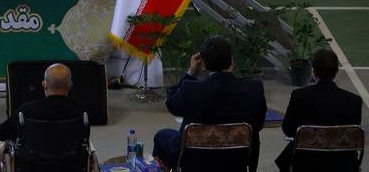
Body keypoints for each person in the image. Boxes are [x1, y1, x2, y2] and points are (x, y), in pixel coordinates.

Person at [153, 35, 267, 171]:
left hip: (194, 161)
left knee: (161, 136)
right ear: (232, 61)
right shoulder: (254, 89)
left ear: (204, 64)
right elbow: (258, 125)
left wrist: (190, 73)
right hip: (236, 160)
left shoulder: (191, 89)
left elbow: (172, 105)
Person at [275, 48, 363, 171]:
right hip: (343, 164)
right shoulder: (354, 101)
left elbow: (288, 130)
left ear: (314, 72)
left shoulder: (299, 96)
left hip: (306, 162)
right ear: (336, 71)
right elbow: (352, 135)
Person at [0, 63, 88, 171]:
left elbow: (0, 133)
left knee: (3, 142)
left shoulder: (26, 111)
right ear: (70, 85)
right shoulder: (81, 113)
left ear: (44, 85)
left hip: (30, 166)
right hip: (70, 166)